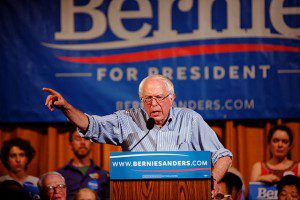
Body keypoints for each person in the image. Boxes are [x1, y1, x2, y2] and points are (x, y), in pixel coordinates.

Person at [43, 74, 232, 197]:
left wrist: (212, 179)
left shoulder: (190, 120)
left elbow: (223, 156)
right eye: (147, 99)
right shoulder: (128, 120)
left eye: (159, 97)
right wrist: (66, 108)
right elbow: (92, 125)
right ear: (141, 100)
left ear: (171, 98)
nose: (153, 104)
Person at [57, 132, 109, 200]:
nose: (82, 142)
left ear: (92, 143)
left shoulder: (104, 175)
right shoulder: (60, 176)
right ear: (70, 145)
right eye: (78, 139)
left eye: (86, 138)